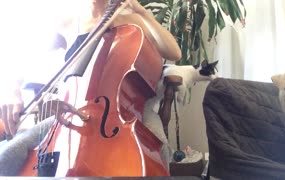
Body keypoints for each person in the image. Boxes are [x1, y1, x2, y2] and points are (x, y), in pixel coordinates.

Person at [0, 0, 181, 140]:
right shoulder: (69, 22)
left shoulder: (130, 20)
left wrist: (142, 12)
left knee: (156, 147)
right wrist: (13, 90)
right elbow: (26, 54)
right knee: (10, 154)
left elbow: (174, 52)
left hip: (122, 115)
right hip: (73, 115)